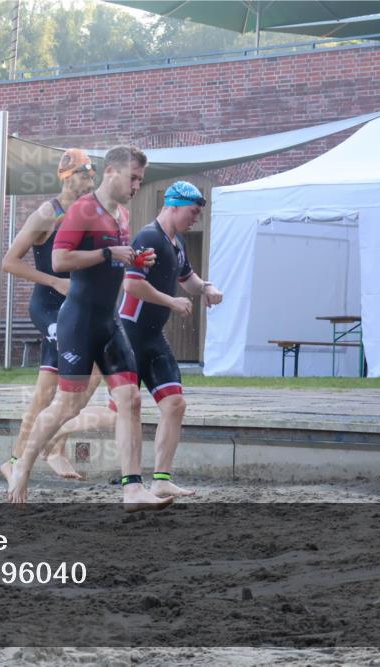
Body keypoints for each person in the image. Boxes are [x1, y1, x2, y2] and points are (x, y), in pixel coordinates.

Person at [8, 145, 172, 512]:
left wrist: (135, 259)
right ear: (111, 172)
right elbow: (59, 260)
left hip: (108, 321)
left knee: (130, 400)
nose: (137, 186)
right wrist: (108, 254)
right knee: (66, 404)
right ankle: (22, 466)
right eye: (133, 178)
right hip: (78, 321)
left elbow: (111, 262)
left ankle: (132, 489)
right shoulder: (81, 210)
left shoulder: (122, 215)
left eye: (140, 180)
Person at [0, 148, 110, 481]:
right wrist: (55, 282)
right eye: (85, 174)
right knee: (79, 375)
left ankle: (30, 455)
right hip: (48, 306)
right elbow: (9, 262)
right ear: (67, 176)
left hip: (76, 308)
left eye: (92, 175)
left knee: (55, 390)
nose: (91, 181)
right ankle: (43, 451)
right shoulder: (47, 214)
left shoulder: (91, 212)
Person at [118, 181, 223, 497]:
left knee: (175, 404)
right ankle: (56, 438)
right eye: (193, 212)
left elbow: (188, 279)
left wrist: (206, 287)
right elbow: (131, 285)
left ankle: (161, 480)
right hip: (129, 335)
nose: (196, 219)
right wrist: (171, 302)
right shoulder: (148, 237)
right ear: (173, 206)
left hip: (153, 337)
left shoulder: (177, 243)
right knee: (124, 408)